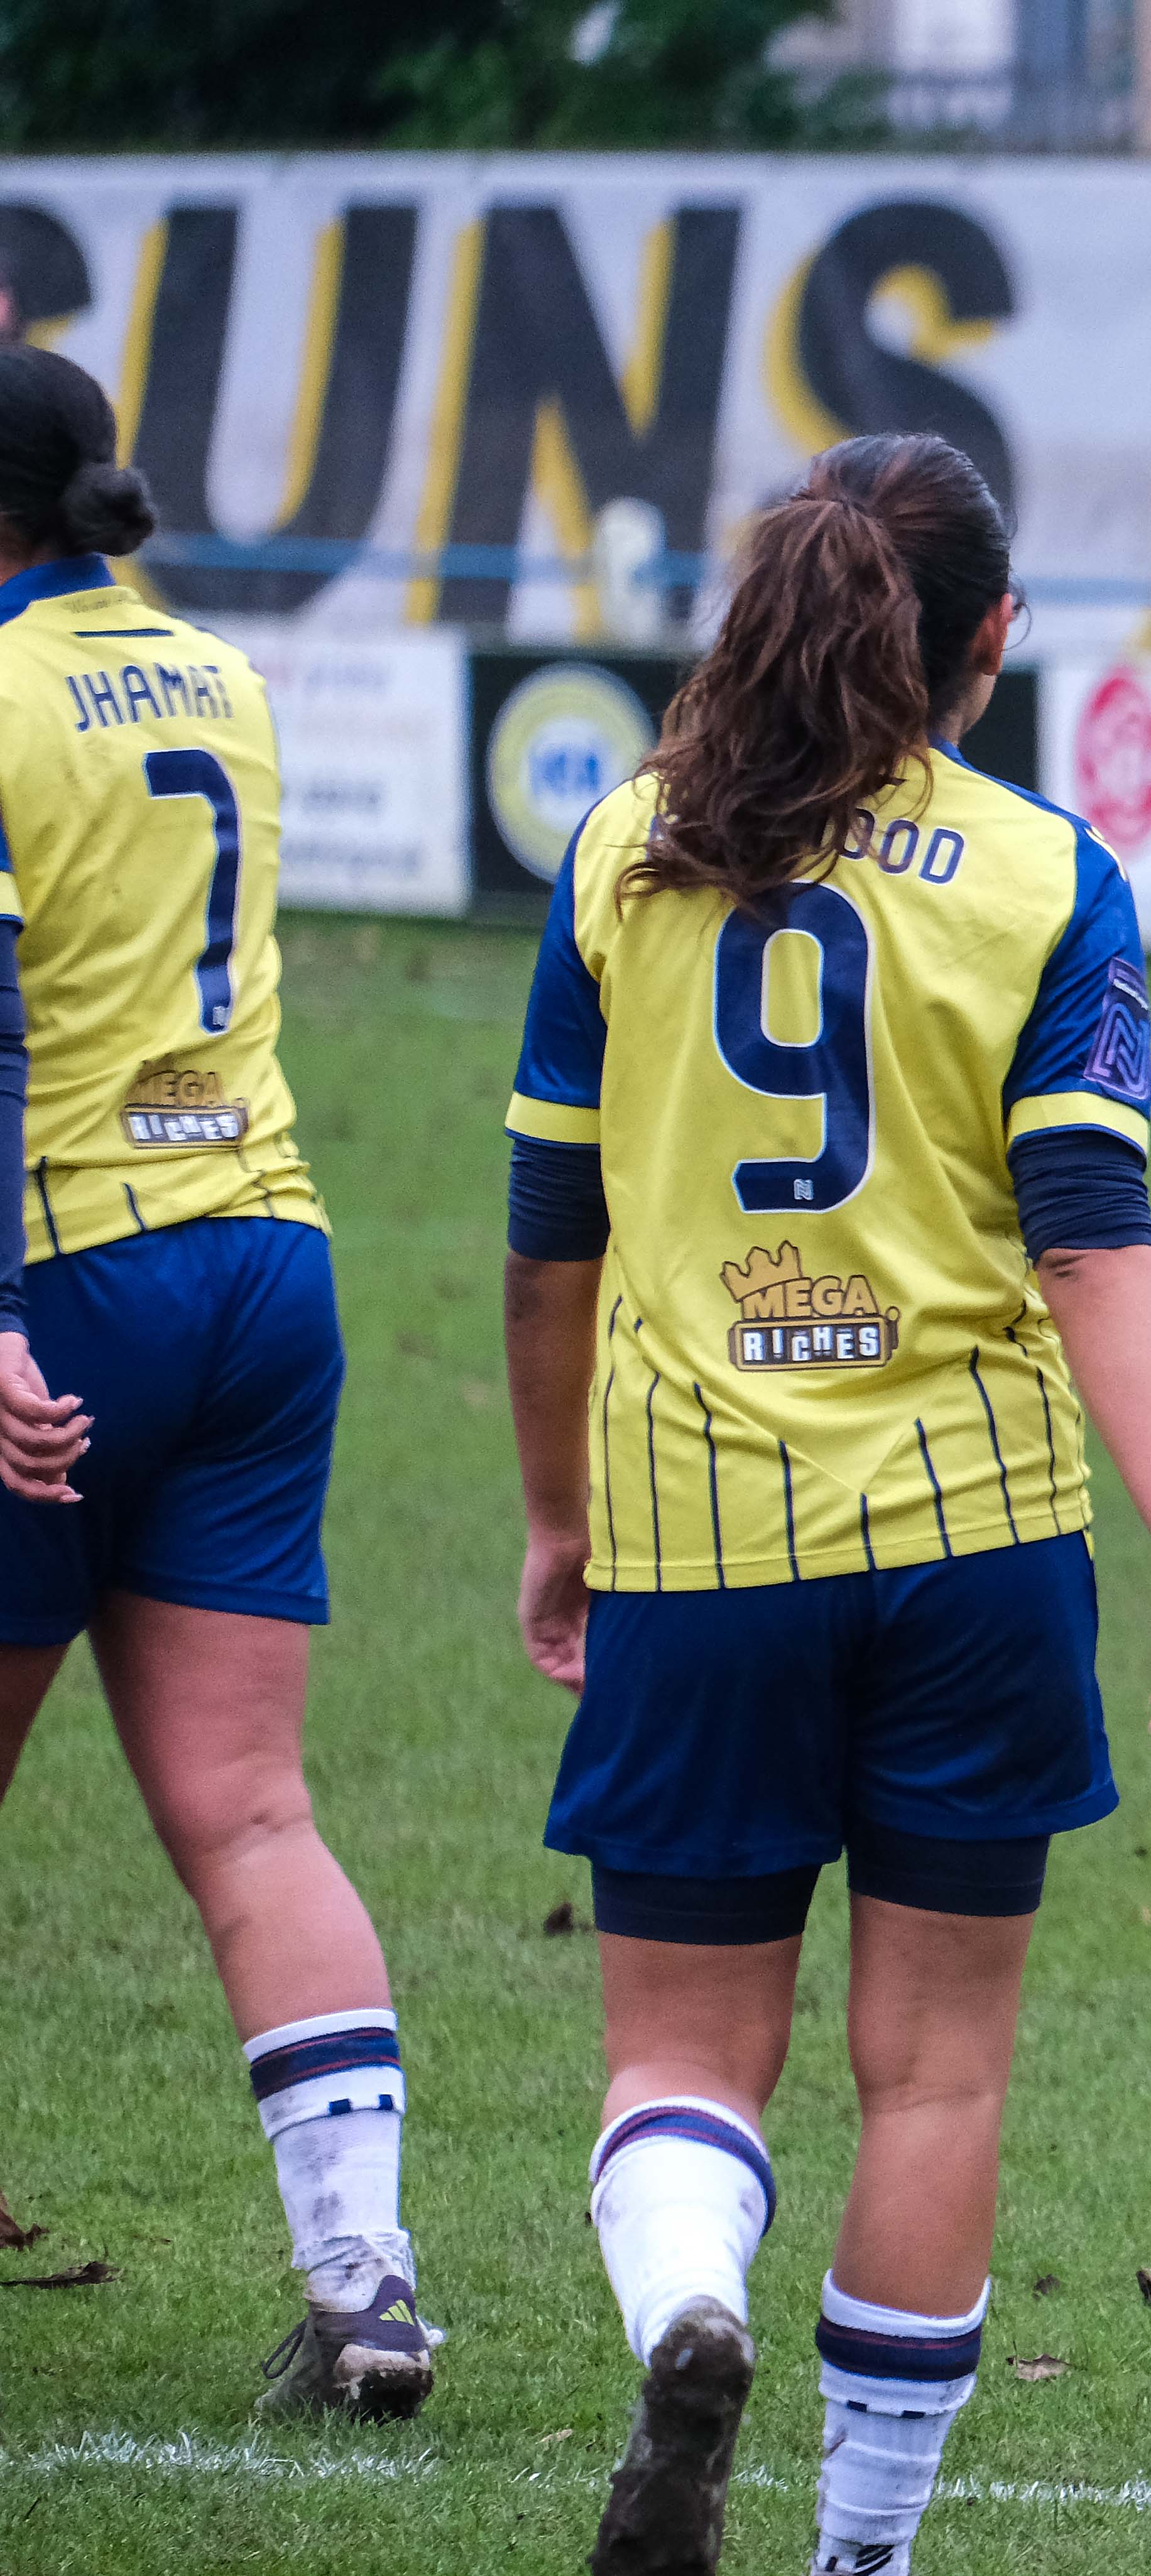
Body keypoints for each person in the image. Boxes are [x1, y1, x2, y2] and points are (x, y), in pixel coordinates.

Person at [501, 433, 1151, 2576]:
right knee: (932, 2079)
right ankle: (860, 2569)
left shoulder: (621, 856)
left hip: (694, 1540)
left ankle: (685, 2323)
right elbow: (1094, 1234)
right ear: (990, 645)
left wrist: (559, 1518)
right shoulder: (1042, 875)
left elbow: (550, 1232)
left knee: (677, 2059)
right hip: (977, 1541)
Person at [0, 344, 435, 2423]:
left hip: (67, 1286)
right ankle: (368, 2288)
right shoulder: (219, 678)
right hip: (267, 1255)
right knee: (254, 1811)